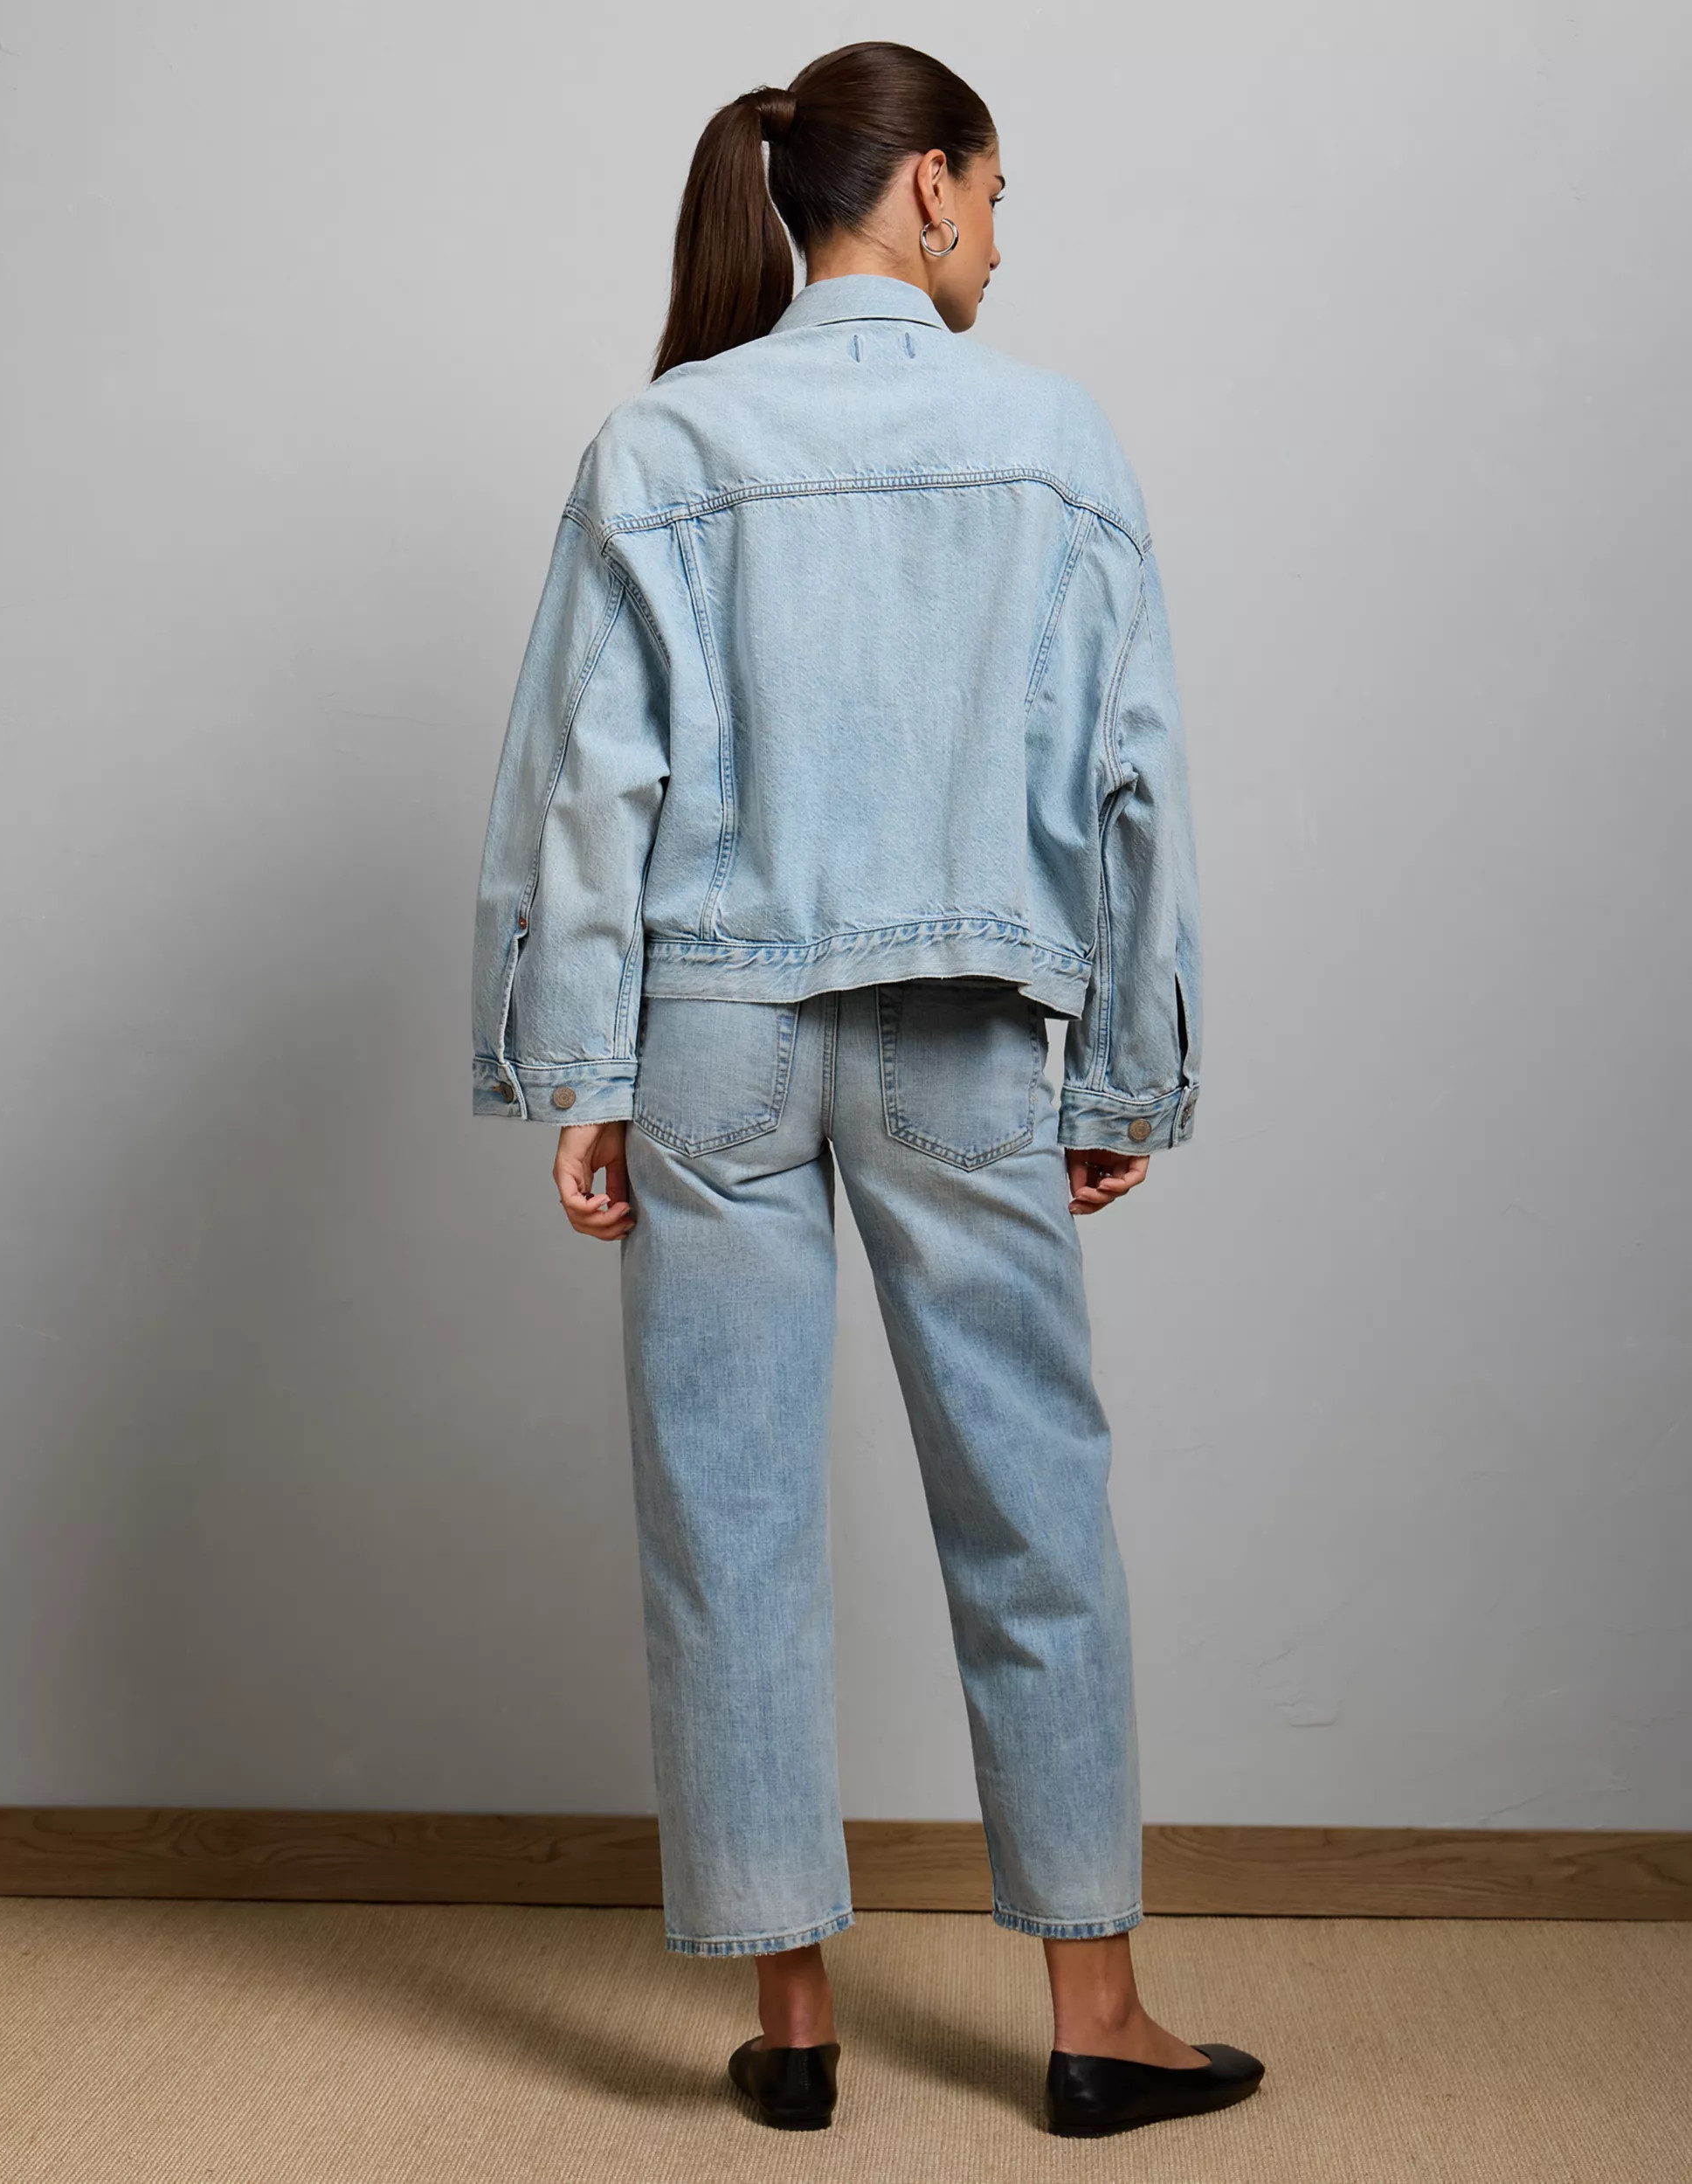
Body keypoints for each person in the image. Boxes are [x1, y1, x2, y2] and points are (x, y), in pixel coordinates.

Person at [471, 38, 1262, 2141]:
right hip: (962, 1027)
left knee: (729, 1516)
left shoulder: (663, 441)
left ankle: (795, 2019)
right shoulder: (1052, 439)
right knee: (1033, 1507)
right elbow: (1136, 774)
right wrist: (1129, 1065)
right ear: (924, 188)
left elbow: (588, 786)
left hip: (712, 1030)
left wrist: (583, 1065)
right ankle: (1097, 2015)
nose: (999, 238)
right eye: (993, 196)